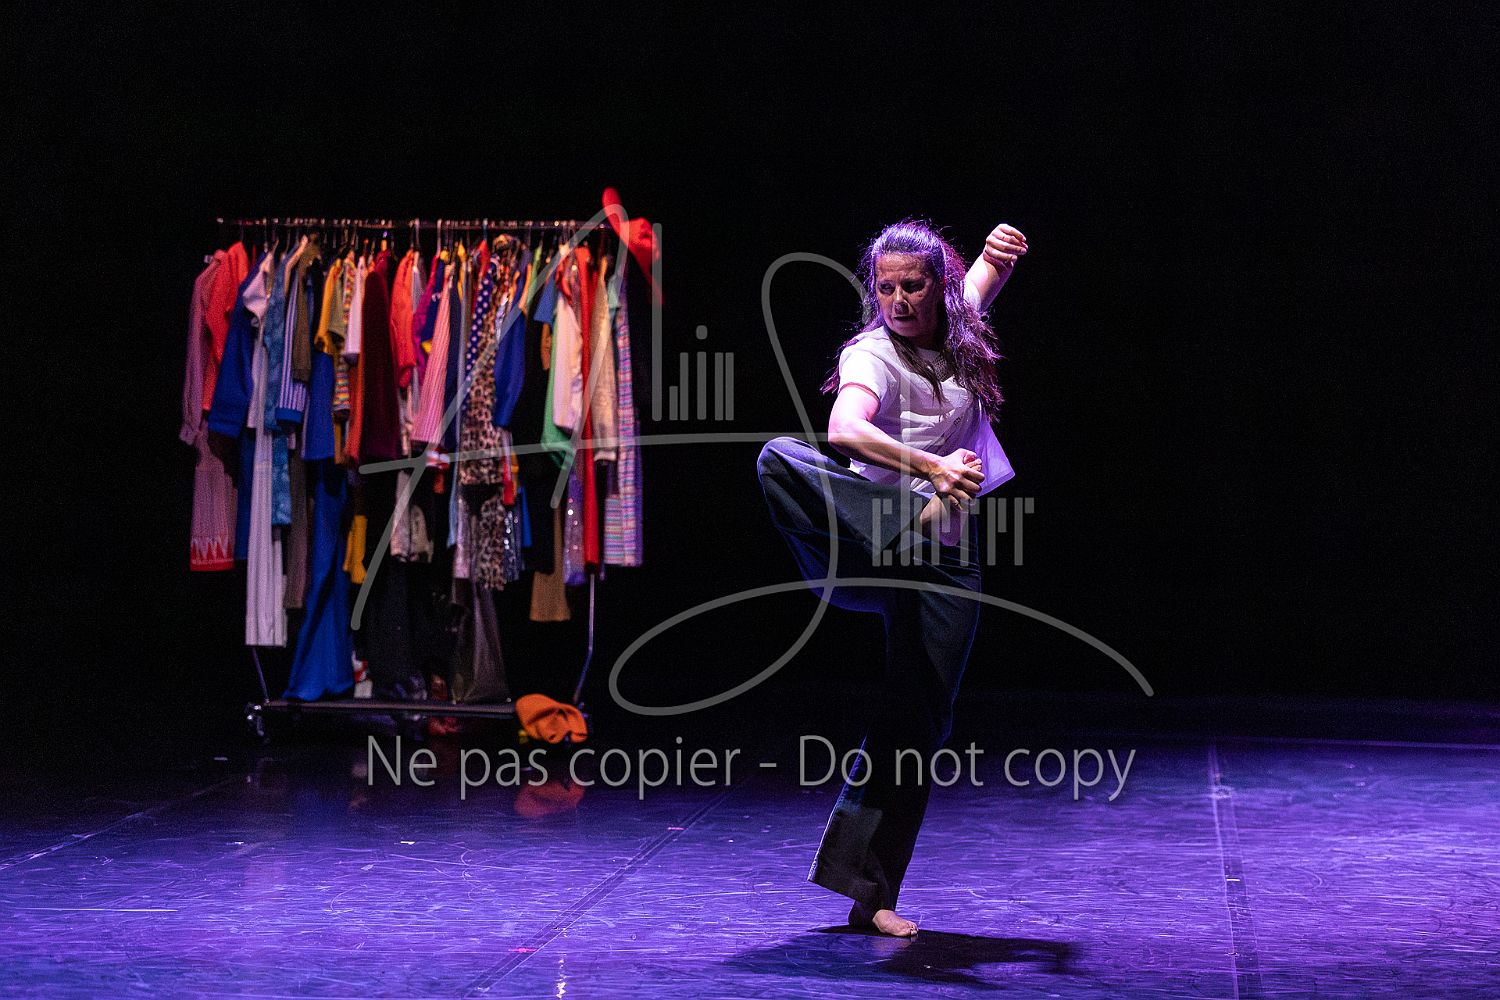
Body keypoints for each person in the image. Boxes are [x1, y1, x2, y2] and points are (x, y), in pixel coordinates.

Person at [756, 217, 1027, 937]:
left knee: (919, 718)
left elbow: (978, 285)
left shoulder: (959, 334)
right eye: (885, 288)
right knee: (780, 457)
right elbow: (845, 430)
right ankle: (907, 515)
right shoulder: (871, 353)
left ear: (939, 288)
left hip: (943, 554)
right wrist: (933, 469)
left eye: (912, 286)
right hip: (867, 542)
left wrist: (997, 258)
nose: (898, 301)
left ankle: (869, 890)